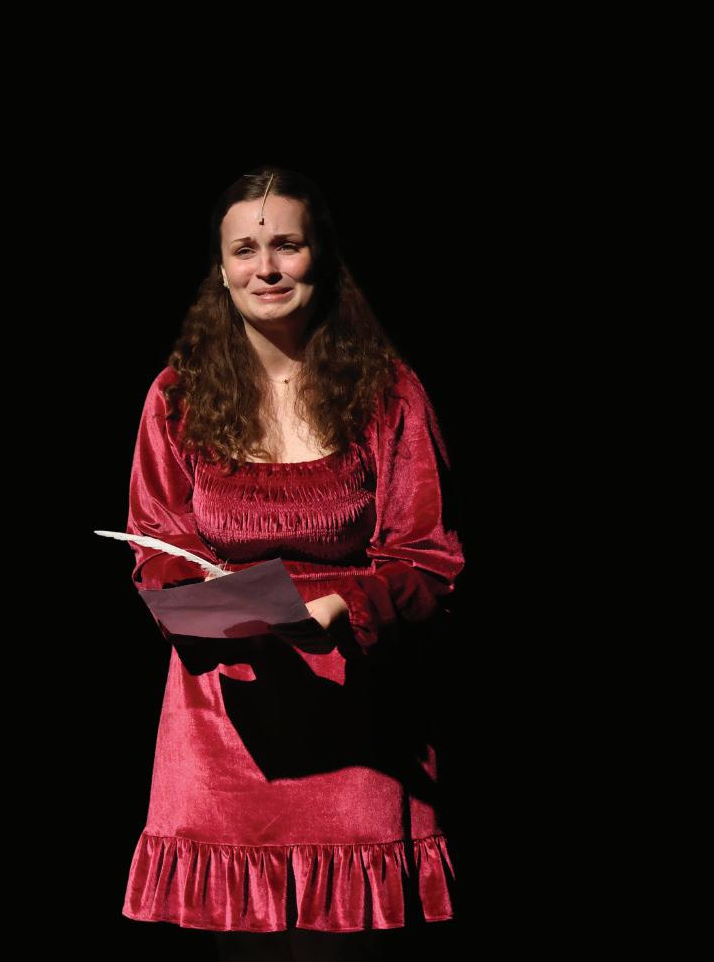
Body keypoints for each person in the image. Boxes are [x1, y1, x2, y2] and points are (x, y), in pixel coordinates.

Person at [121, 166, 467, 959]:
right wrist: (216, 601)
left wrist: (348, 606)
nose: (266, 267)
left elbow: (429, 557)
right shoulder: (177, 396)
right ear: (220, 270)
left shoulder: (388, 394)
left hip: (356, 719)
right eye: (245, 250)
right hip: (223, 728)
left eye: (287, 245)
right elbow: (155, 547)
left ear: (323, 256)